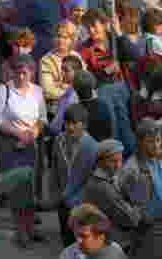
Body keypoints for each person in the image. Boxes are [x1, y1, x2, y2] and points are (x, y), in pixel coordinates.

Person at [0, 55, 46, 248]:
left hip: (31, 144)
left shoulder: (37, 91)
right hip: (10, 145)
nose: (21, 76)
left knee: (30, 188)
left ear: (32, 73)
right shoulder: (3, 90)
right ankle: (21, 231)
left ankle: (30, 227)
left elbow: (42, 118)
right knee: (16, 189)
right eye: (17, 72)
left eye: (25, 72)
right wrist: (19, 134)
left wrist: (33, 133)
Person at [119, 118, 162, 259]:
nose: (156, 145)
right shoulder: (133, 169)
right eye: (150, 141)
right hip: (149, 229)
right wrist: (143, 220)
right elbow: (132, 202)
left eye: (158, 140)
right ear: (140, 142)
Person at [83, 138, 143, 251]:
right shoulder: (103, 187)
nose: (118, 165)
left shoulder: (102, 180)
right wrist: (139, 203)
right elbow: (131, 219)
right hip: (110, 244)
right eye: (113, 161)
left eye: (120, 160)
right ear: (100, 162)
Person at [54, 103, 100, 247]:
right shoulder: (59, 141)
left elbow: (92, 181)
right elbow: (54, 169)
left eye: (75, 123)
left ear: (84, 125)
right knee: (66, 239)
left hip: (81, 204)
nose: (70, 127)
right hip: (62, 200)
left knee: (82, 242)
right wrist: (56, 194)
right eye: (67, 123)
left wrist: (78, 202)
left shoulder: (92, 147)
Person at [60, 204, 129, 259]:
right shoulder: (68, 254)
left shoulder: (115, 253)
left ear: (100, 235)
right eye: (76, 235)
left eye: (84, 236)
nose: (78, 241)